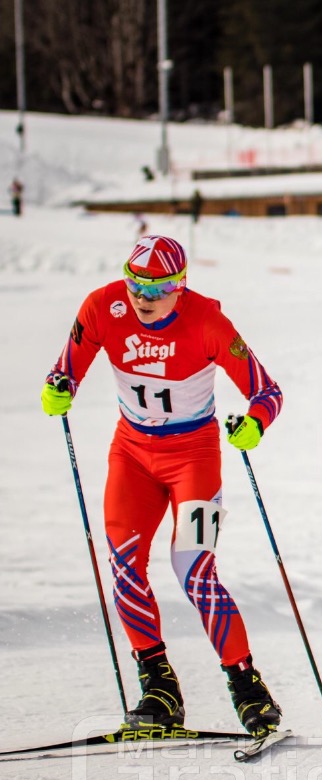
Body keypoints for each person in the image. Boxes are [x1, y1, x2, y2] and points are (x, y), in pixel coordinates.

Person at [40, 235, 283, 737]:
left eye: (159, 287)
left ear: (182, 285)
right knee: (124, 564)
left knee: (193, 569)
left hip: (194, 458)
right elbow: (65, 371)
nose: (144, 298)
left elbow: (266, 390)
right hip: (131, 456)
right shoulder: (103, 307)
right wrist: (57, 389)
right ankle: (158, 687)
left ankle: (247, 687)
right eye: (135, 286)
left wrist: (255, 423)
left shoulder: (208, 322)